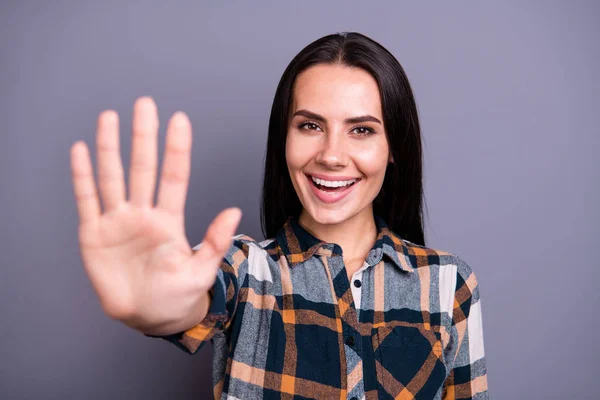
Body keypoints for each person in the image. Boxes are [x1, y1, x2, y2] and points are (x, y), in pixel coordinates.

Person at [70, 32, 488, 399]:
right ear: (283, 137)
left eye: (361, 129)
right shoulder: (247, 270)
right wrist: (156, 303)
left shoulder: (449, 283)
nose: (331, 155)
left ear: (394, 146)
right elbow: (193, 298)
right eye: (310, 126)